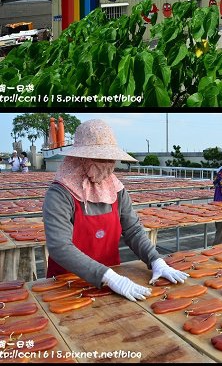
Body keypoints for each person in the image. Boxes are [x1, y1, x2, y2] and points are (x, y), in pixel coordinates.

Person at [42, 120, 190, 307]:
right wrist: (107, 277)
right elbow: (59, 246)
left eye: (111, 160)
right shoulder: (61, 193)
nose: (108, 167)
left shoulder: (116, 190)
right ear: (81, 158)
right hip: (67, 284)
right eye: (101, 160)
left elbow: (133, 230)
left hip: (115, 284)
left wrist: (155, 260)